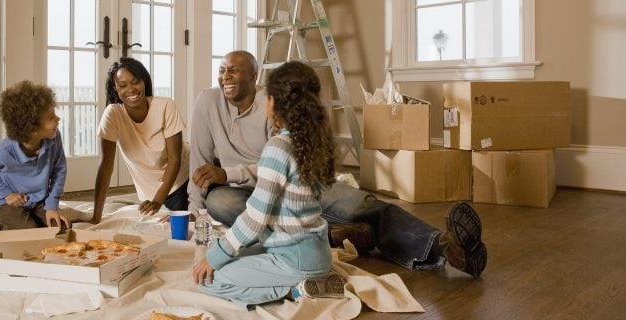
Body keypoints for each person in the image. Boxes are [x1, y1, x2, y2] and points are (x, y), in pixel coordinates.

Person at [188, 50, 487, 278]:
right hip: (245, 192)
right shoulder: (207, 102)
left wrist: (228, 172)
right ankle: (333, 233)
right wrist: (192, 212)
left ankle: (443, 246)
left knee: (359, 204)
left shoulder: (273, 105)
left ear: (254, 78)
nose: (225, 76)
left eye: (234, 70)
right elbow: (199, 164)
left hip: (291, 183)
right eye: (222, 70)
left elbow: (278, 162)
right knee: (220, 201)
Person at [192, 61, 347, 307]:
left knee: (210, 278)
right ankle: (310, 282)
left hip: (293, 259)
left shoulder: (278, 148)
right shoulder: (315, 142)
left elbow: (254, 219)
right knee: (232, 256)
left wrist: (214, 257)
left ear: (273, 102)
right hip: (316, 252)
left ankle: (294, 292)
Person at [92, 57, 189, 224]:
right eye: (122, 85)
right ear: (115, 88)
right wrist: (95, 217)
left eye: (135, 82)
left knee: (203, 212)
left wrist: (158, 201)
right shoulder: (113, 114)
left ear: (144, 81)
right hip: (153, 192)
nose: (130, 89)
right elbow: (106, 166)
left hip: (185, 176)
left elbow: (175, 158)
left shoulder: (165, 105)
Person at [0, 80, 71, 230]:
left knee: (61, 227)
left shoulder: (54, 137)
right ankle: (5, 222)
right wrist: (7, 194)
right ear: (31, 127)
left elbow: (59, 170)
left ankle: (23, 220)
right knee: (30, 231)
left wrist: (52, 205)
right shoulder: (4, 150)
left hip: (39, 201)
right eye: (51, 117)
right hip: (7, 204)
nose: (58, 119)